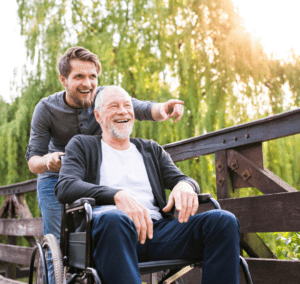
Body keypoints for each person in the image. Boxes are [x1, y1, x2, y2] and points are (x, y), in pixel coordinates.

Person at [55, 86, 240, 284]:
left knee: (223, 221)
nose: (123, 111)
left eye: (127, 106)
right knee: (114, 218)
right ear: (98, 116)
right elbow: (66, 186)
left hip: (157, 231)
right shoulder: (82, 145)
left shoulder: (150, 149)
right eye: (114, 106)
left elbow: (182, 178)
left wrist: (185, 185)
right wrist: (117, 195)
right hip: (110, 233)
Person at [25, 46, 185, 241]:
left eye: (92, 76)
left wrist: (164, 109)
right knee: (58, 241)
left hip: (92, 174)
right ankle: (57, 269)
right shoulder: (46, 109)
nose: (87, 83)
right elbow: (33, 161)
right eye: (79, 77)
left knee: (99, 231)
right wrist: (48, 161)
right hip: (55, 178)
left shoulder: (104, 98)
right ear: (63, 79)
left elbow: (140, 108)